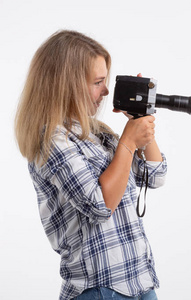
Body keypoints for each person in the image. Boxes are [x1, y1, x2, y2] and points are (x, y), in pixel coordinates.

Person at [15, 30, 166, 300]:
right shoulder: (51, 139)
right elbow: (98, 206)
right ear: (67, 85)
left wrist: (141, 118)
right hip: (99, 289)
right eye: (98, 82)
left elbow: (154, 175)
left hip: (139, 282)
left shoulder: (99, 134)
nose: (106, 91)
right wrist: (129, 142)